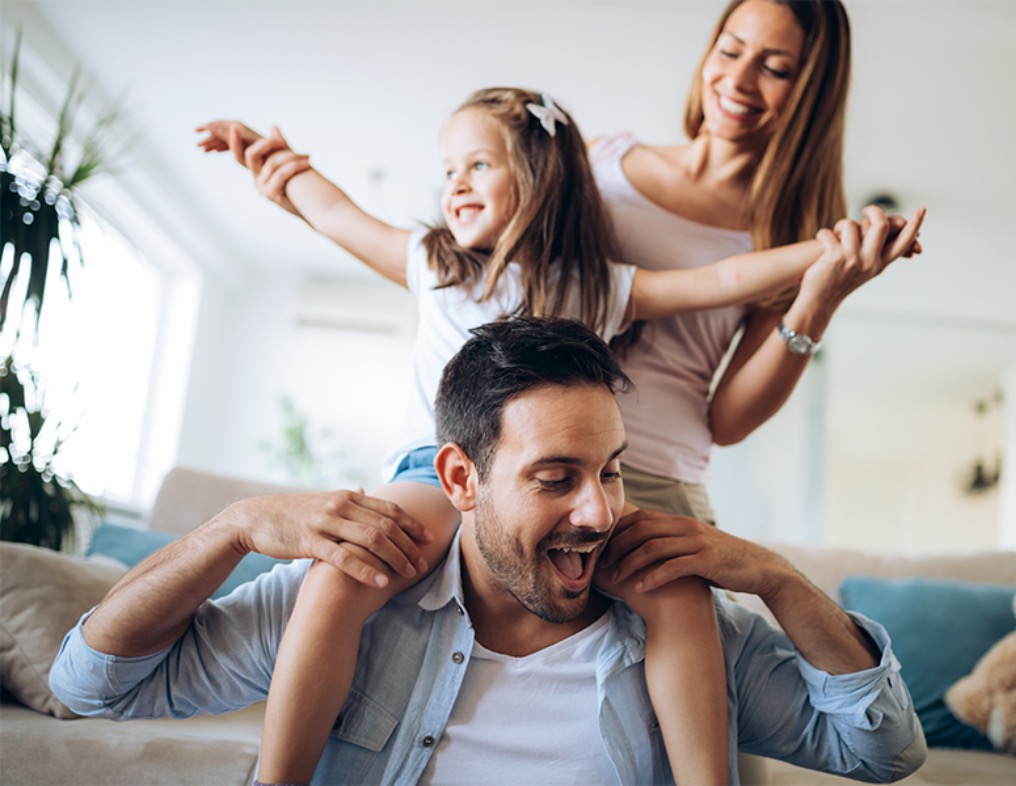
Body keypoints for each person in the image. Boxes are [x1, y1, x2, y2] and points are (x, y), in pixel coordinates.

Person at [193, 86, 921, 785]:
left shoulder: (599, 284)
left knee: (680, 594)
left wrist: (838, 254)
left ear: (538, 176)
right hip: (432, 469)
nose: (455, 183)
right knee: (346, 571)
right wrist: (281, 168)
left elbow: (724, 276)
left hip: (551, 475)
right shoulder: (435, 261)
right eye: (449, 169)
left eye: (478, 165)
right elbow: (335, 213)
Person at [49, 316, 927, 785]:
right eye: (556, 478)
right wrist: (227, 528)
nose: (599, 511)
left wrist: (774, 578)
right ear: (461, 479)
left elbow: (882, 753)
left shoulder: (680, 624)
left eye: (611, 472)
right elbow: (88, 686)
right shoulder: (364, 590)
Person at [590, 0, 919, 523]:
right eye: (731, 50)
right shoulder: (601, 160)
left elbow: (729, 421)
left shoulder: (788, 236)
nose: (738, 79)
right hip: (538, 453)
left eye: (775, 68)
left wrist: (819, 297)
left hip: (657, 475)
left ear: (810, 93)